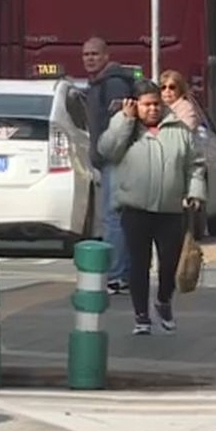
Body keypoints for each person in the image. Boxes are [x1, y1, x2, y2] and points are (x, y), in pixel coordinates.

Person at [98, 79, 206, 335]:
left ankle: (163, 301)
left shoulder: (178, 129)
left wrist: (195, 192)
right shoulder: (123, 126)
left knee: (170, 263)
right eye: (146, 105)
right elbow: (108, 150)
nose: (153, 109)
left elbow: (195, 164)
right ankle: (141, 316)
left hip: (171, 209)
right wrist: (125, 120)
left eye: (156, 104)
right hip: (135, 208)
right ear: (135, 104)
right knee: (139, 263)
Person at [81, 37, 138, 296]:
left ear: (106, 56)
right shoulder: (98, 84)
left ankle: (117, 276)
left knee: (113, 218)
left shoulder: (113, 84)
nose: (90, 58)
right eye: (86, 54)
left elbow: (122, 125)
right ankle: (122, 273)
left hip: (116, 159)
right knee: (116, 218)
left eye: (95, 54)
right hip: (109, 159)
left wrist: (111, 152)